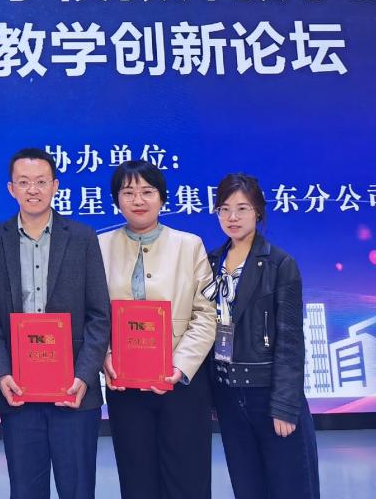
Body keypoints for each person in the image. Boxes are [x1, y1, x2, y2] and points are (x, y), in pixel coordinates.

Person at [0, 148, 110, 499]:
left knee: (77, 489)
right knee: (25, 490)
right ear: (11, 189)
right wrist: (1, 374)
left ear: (55, 186)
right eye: (24, 182)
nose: (33, 190)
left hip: (73, 391)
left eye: (40, 182)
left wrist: (84, 375)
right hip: (18, 391)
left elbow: (99, 315)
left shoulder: (82, 237)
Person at [97, 160, 217, 498]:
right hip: (125, 384)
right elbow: (93, 312)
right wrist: (106, 355)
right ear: (116, 200)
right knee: (137, 480)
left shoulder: (189, 245)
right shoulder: (99, 246)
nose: (138, 200)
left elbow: (206, 313)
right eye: (128, 192)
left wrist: (179, 366)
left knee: (187, 480)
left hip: (181, 384)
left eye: (147, 191)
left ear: (162, 197)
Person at [206, 173, 320, 499]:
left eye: (242, 208)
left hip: (269, 394)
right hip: (228, 395)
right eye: (224, 209)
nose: (232, 217)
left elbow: (290, 340)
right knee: (248, 487)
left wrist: (284, 405)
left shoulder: (280, 265)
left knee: (290, 488)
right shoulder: (210, 262)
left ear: (258, 211)